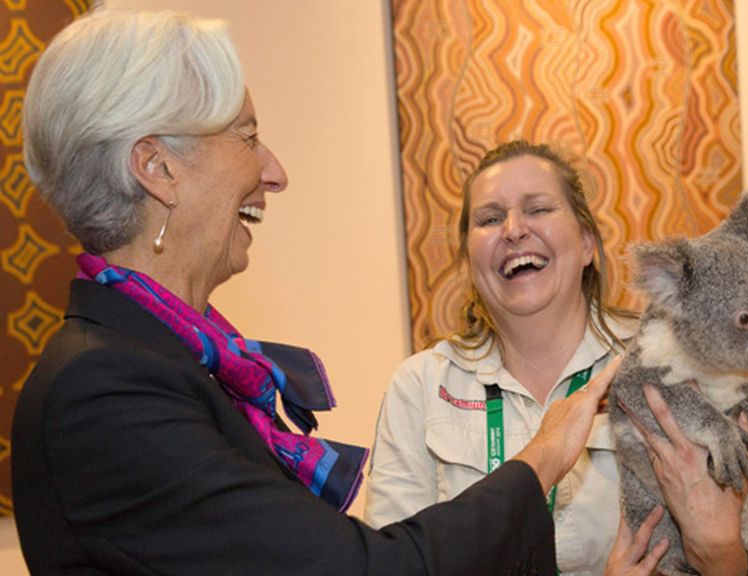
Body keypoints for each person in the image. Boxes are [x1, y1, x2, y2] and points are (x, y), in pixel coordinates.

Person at [11, 8, 621, 575]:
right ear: (158, 168)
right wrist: (543, 456)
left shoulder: (164, 363)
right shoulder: (105, 389)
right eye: (248, 137)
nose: (274, 172)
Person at [365, 140, 748, 575]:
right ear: (469, 261)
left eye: (538, 209)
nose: (513, 230)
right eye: (490, 219)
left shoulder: (674, 368)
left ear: (587, 242)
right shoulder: (419, 388)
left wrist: (717, 552)